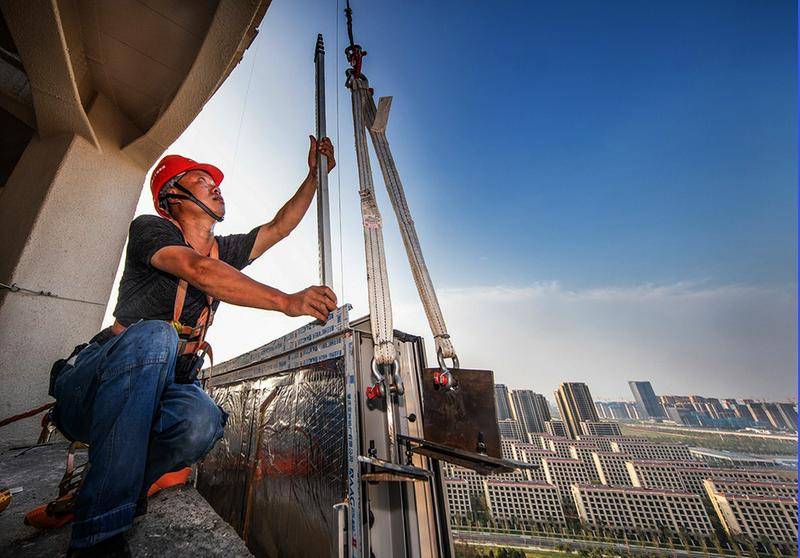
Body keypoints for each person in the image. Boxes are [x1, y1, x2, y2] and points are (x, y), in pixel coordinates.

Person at [51, 136, 338, 557]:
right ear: (173, 195)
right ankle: (98, 536)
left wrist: (315, 177)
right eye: (203, 180)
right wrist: (286, 301)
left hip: (152, 398)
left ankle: (113, 489)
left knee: (202, 419)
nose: (216, 186)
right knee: (156, 336)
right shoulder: (150, 230)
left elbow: (279, 227)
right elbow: (198, 269)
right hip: (89, 392)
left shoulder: (225, 249)